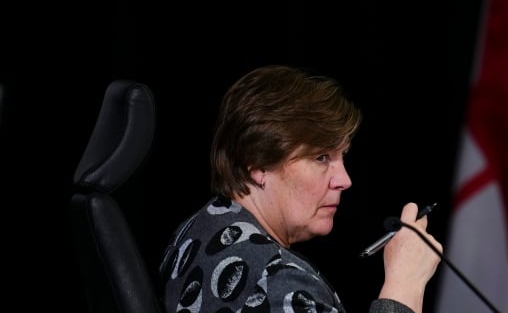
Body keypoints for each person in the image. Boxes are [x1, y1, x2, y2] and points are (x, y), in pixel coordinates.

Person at [159, 64, 442, 313]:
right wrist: (403, 286)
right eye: (321, 158)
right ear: (258, 165)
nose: (344, 179)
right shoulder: (276, 281)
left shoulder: (198, 226)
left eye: (342, 157)